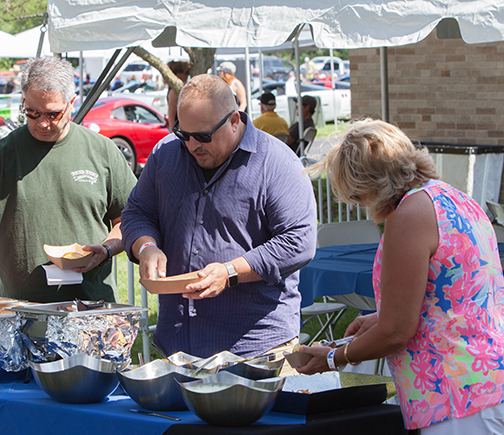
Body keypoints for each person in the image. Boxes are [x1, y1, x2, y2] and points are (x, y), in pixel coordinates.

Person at [298, 119, 504, 434]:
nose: (362, 205)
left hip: (456, 398)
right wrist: (383, 315)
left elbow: (397, 331)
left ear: (369, 183)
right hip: (488, 380)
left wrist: (334, 357)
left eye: (357, 196)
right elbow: (455, 296)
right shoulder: (454, 198)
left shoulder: (408, 217)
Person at [121, 74, 317, 372]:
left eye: (203, 136)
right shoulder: (165, 155)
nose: (191, 146)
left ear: (235, 121)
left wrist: (230, 272)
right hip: (178, 346)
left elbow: (299, 241)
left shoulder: (277, 162)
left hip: (256, 350)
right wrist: (146, 245)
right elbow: (137, 211)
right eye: (183, 135)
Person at [0, 56, 138, 303]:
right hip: (23, 309)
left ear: (72, 103)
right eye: (32, 112)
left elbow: (129, 220)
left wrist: (106, 250)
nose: (42, 123)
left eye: (53, 114)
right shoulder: (1, 155)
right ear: (23, 101)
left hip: (92, 304)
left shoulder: (102, 151)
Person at [166, 60, 190, 132]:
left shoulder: (180, 88)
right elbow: (171, 116)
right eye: (186, 73)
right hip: (177, 128)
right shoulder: (174, 91)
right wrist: (174, 134)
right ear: (178, 74)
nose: (187, 75)